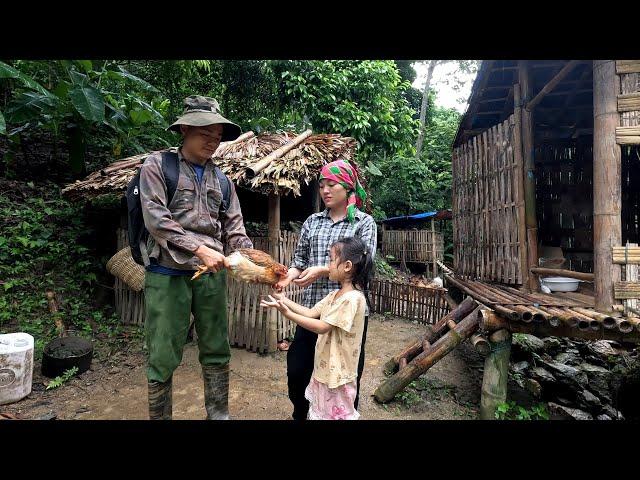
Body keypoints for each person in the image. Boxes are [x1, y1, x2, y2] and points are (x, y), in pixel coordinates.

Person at [139, 95, 253, 420]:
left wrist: (255, 262)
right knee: (162, 353)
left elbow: (234, 228)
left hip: (212, 275)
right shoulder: (158, 166)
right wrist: (199, 248)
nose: (213, 142)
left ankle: (218, 416)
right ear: (186, 129)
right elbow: (156, 219)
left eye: (217, 137)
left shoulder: (223, 180)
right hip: (167, 272)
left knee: (217, 348)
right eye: (206, 134)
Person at [275, 160, 377, 420]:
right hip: (314, 310)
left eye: (331, 184)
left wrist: (322, 270)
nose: (325, 191)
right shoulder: (312, 221)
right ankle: (302, 413)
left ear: (347, 187)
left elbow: (364, 267)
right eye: (321, 186)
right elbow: (299, 261)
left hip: (346, 317)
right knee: (297, 371)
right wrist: (288, 278)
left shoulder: (364, 223)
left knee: (343, 378)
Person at [262, 237, 373, 419]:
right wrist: (282, 300)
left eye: (330, 260)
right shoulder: (334, 295)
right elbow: (310, 312)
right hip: (325, 370)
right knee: (320, 413)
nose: (327, 265)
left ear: (346, 266)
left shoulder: (353, 299)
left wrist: (287, 313)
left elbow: (322, 327)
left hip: (338, 377)